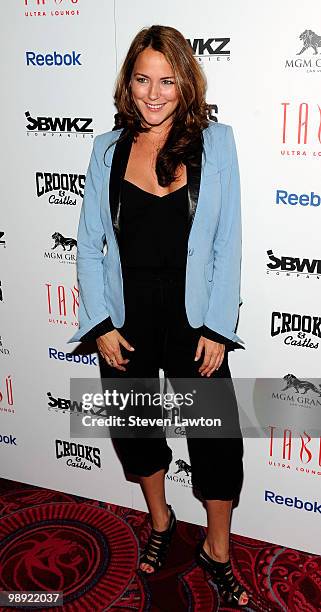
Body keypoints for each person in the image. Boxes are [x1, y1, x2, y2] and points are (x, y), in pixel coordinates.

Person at [68, 24, 249, 608]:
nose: (153, 93)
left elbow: (228, 244)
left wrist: (219, 327)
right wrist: (101, 324)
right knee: (136, 434)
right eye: (143, 79)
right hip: (128, 317)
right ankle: (162, 523)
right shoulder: (106, 149)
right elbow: (89, 243)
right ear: (128, 82)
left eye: (167, 80)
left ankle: (216, 551)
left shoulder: (216, 144)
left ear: (185, 84)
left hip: (195, 321)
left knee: (216, 442)